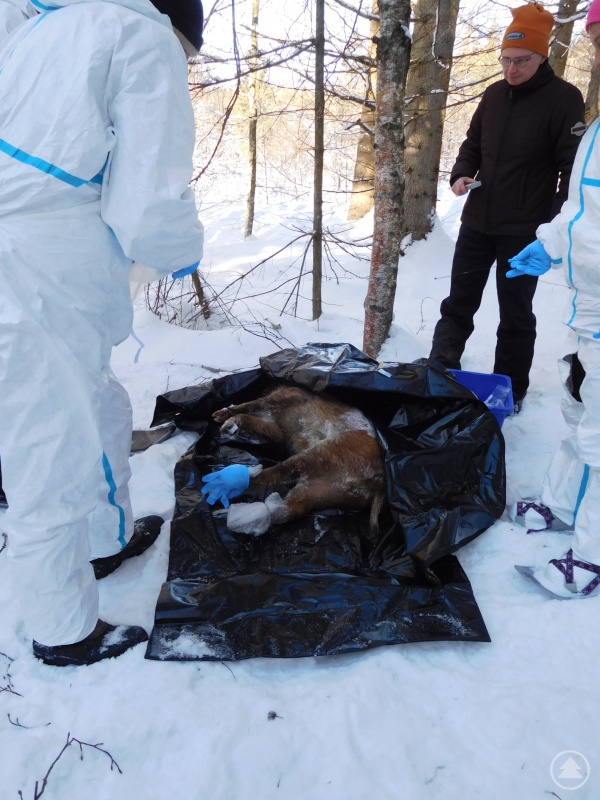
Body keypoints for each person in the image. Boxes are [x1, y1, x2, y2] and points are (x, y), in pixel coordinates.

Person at [0, 0, 205, 665]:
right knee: (49, 445)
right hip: (40, 271)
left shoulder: (40, 26)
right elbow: (148, 194)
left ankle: (105, 539)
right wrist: (177, 249)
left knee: (96, 405)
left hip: (41, 259)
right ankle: (63, 630)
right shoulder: (141, 39)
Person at [428, 3, 585, 413]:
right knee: (458, 302)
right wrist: (461, 174)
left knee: (516, 314)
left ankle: (510, 390)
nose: (511, 69)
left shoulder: (564, 99)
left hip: (523, 230)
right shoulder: (494, 94)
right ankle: (439, 372)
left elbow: (571, 169)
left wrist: (551, 224)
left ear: (541, 56)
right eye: (506, 60)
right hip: (477, 221)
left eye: (521, 61)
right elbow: (473, 144)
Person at [507, 1, 600, 599]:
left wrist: (568, 242)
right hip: (589, 308)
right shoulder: (598, 128)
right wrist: (548, 243)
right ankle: (563, 505)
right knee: (577, 413)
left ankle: (591, 555)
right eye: (594, 38)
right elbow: (580, 211)